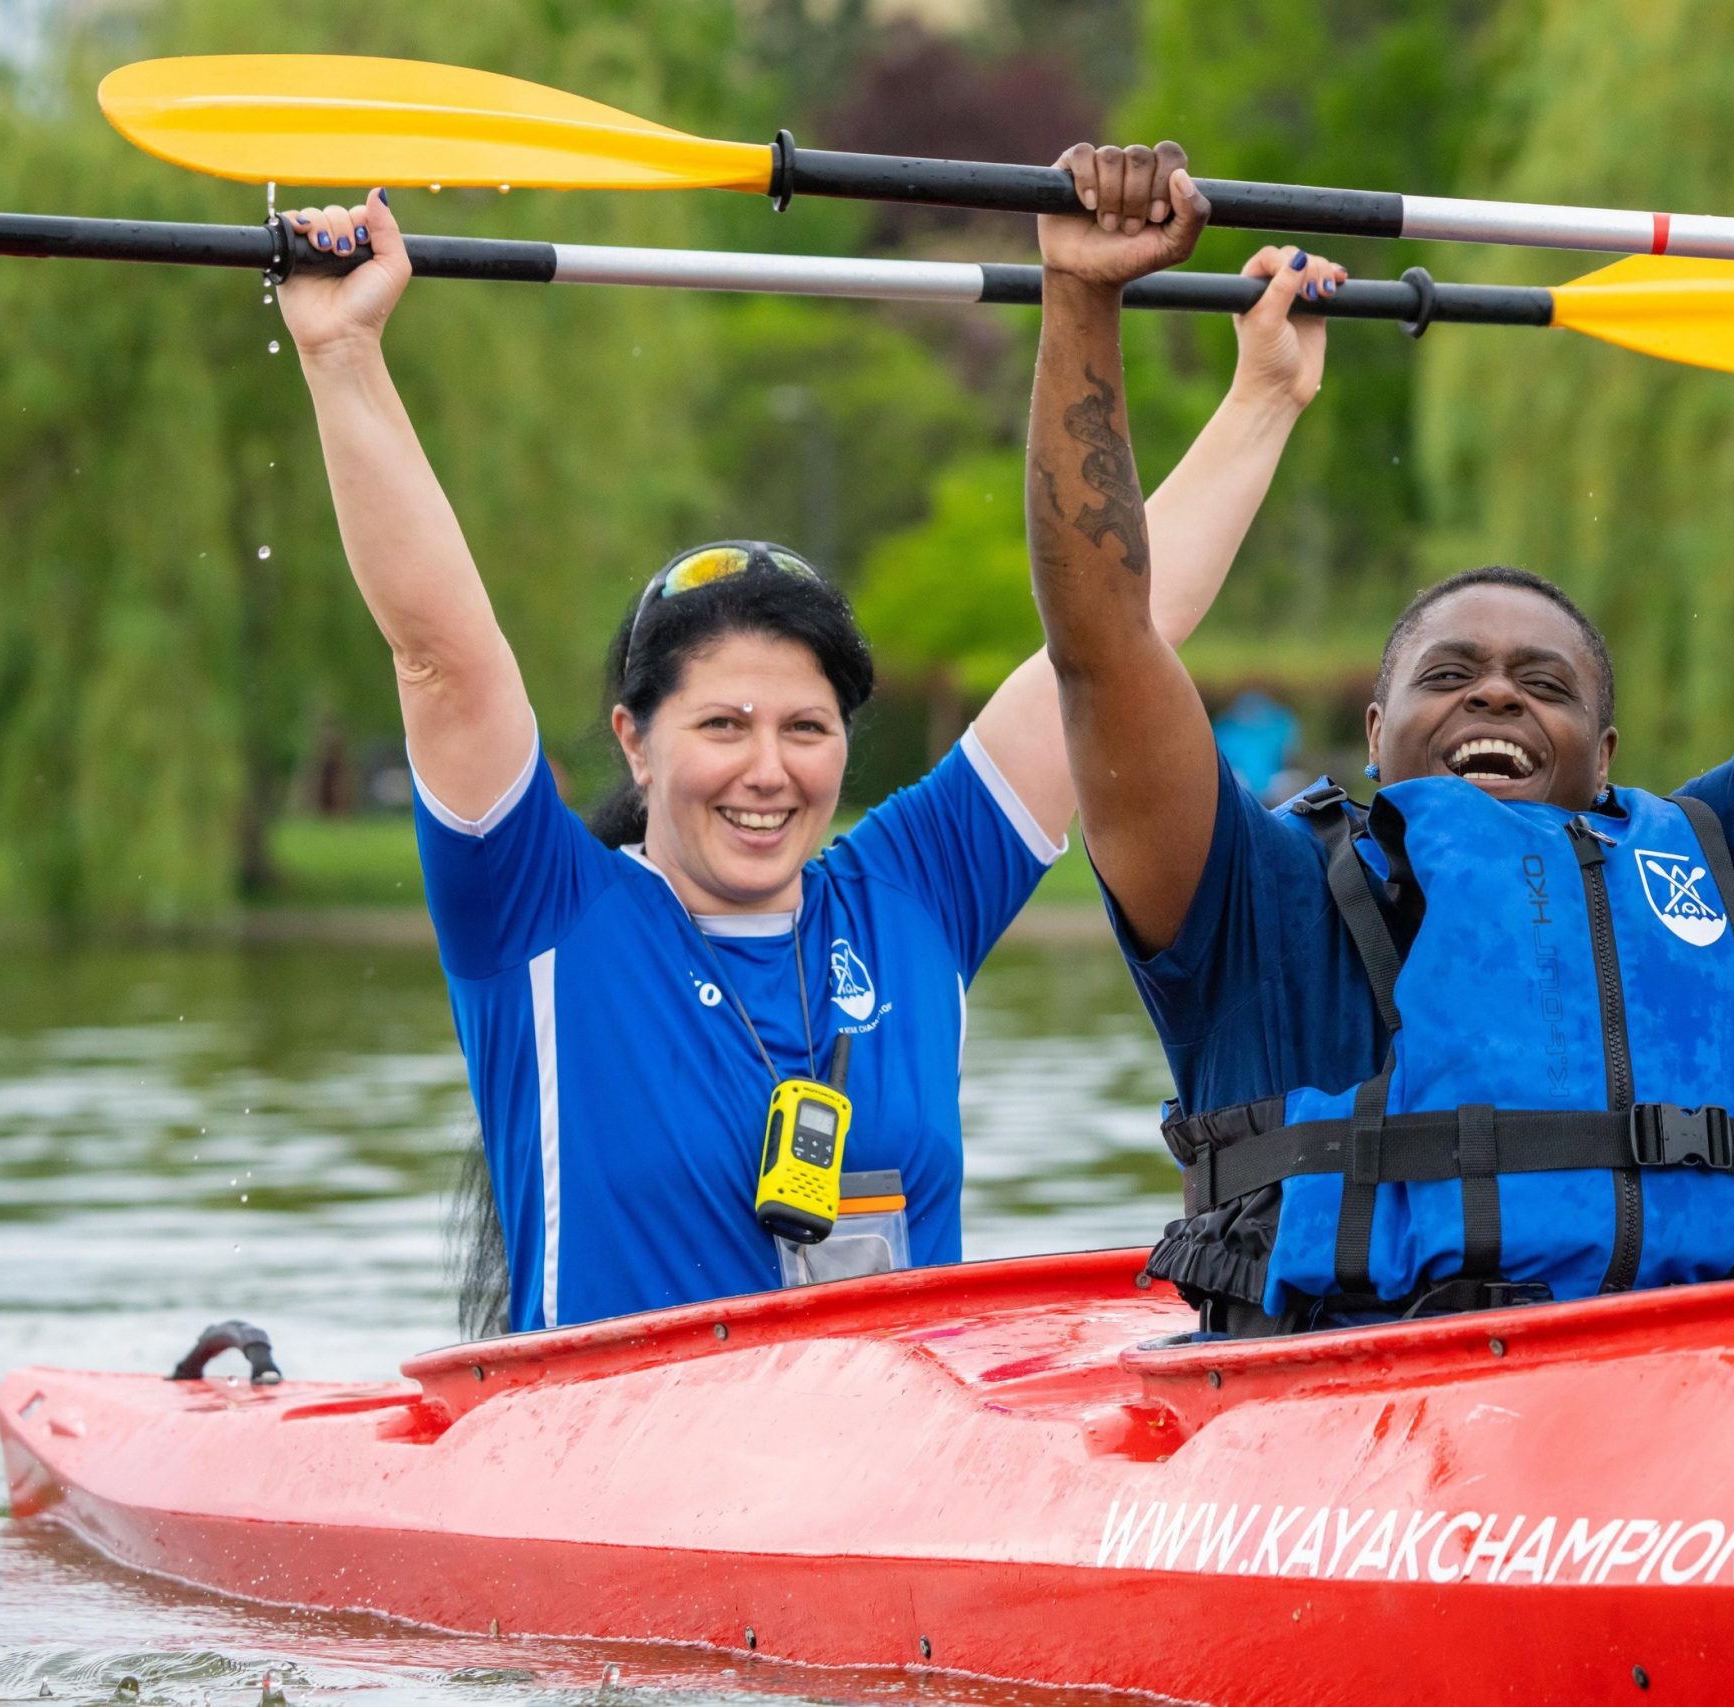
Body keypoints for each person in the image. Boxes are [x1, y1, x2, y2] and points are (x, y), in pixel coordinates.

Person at [1022, 141, 1734, 1335]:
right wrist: (1084, 297)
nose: (1497, 696)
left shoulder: (1724, 864)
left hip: (1710, 1395)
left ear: (1607, 754)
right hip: (1363, 1424)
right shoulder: (1253, 902)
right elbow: (1103, 637)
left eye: (1544, 683)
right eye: (1450, 674)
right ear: (1376, 734)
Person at [271, 187, 1351, 1332]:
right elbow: (445, 657)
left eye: (805, 728)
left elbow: (1116, 649)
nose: (767, 771)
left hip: (889, 1475)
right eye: (722, 726)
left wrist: (1264, 398)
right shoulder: (537, 911)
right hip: (617, 1473)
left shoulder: (914, 889)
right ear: (636, 741)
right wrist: (343, 353)